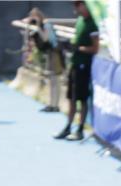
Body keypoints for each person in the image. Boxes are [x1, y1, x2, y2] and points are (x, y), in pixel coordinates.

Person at [53, 0, 97, 141]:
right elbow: (77, 41)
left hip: (84, 66)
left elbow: (95, 48)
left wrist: (79, 48)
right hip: (74, 64)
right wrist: (69, 45)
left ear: (86, 6)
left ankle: (80, 129)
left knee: (82, 99)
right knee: (71, 98)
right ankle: (68, 127)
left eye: (78, 4)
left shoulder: (92, 24)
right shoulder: (79, 20)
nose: (75, 7)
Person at [24, 7, 64, 113]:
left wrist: (37, 27)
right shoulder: (42, 25)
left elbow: (45, 38)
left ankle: (55, 105)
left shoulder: (46, 24)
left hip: (55, 53)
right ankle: (51, 104)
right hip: (49, 53)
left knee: (55, 80)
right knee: (51, 80)